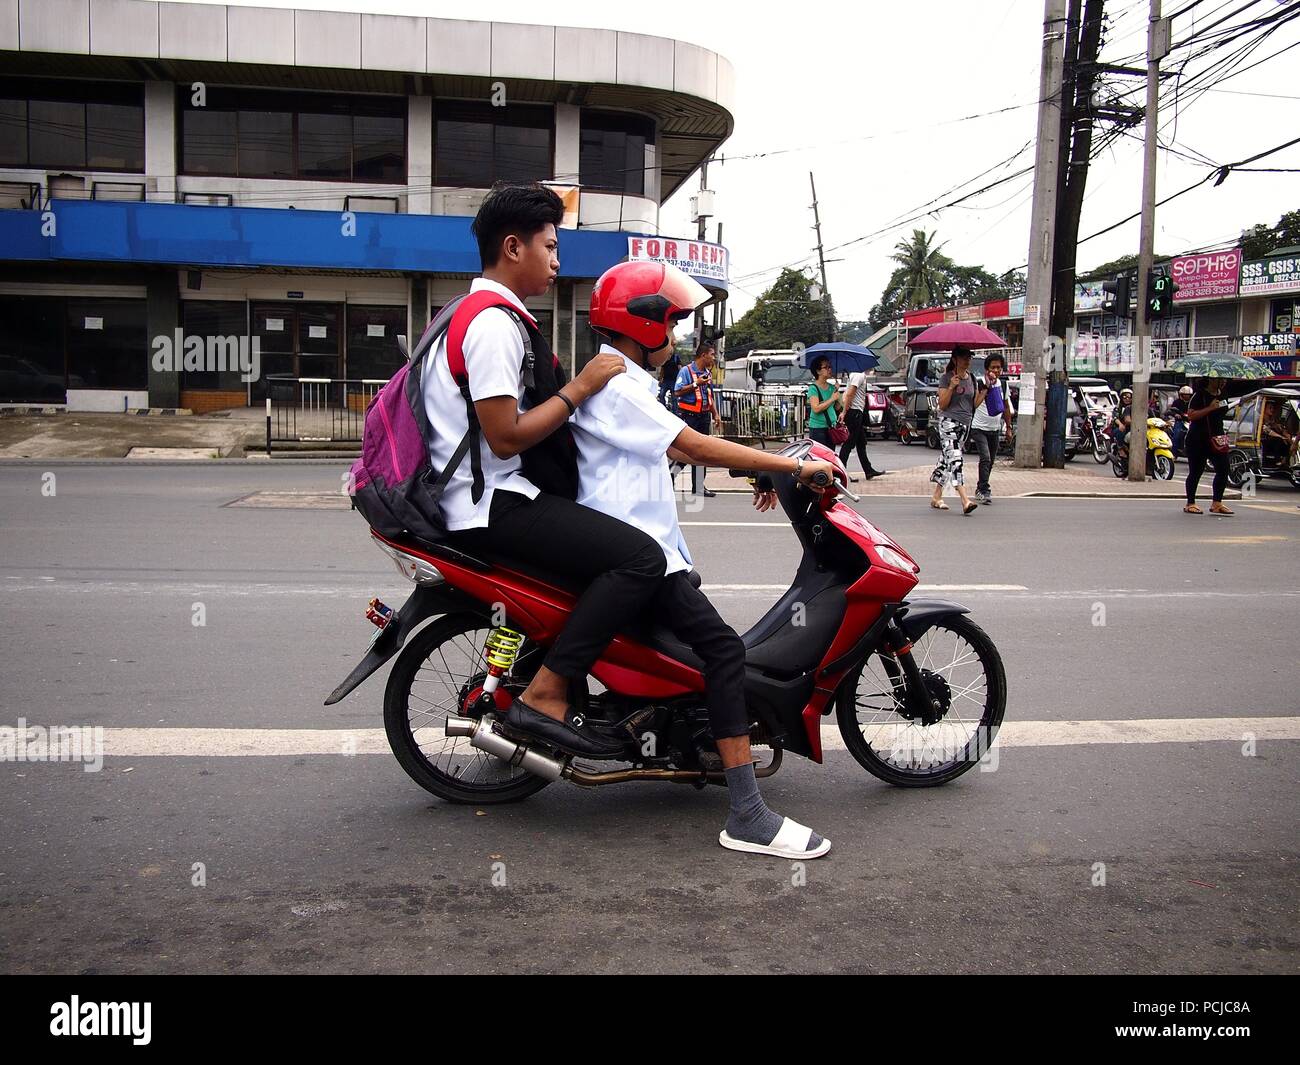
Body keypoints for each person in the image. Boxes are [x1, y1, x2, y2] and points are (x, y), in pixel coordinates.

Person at [574, 260, 837, 858]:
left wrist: (753, 469)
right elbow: (688, 444)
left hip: (645, 550)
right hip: (638, 557)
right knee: (722, 652)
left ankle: (684, 739)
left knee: (694, 644)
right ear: (643, 327)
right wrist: (791, 466)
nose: (681, 338)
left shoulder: (629, 385)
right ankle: (746, 813)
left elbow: (678, 450)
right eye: (673, 324)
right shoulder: (619, 387)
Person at [427, 183, 668, 759]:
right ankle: (548, 693)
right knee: (641, 558)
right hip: (493, 505)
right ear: (513, 247)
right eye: (550, 247)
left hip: (491, 496)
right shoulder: (491, 326)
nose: (558, 262)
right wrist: (580, 388)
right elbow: (505, 438)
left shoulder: (478, 313)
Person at [929, 346, 983, 515]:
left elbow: (973, 404)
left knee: (947, 460)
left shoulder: (972, 379)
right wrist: (951, 387)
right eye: (964, 357)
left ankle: (936, 496)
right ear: (955, 360)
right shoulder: (946, 378)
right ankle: (965, 500)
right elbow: (942, 404)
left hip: (965, 425)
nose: (968, 360)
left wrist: (986, 390)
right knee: (956, 459)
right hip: (948, 423)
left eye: (969, 357)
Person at [672, 342, 722, 498]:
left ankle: (699, 487)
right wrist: (696, 383)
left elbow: (708, 396)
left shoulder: (707, 372)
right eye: (712, 354)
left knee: (703, 454)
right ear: (703, 355)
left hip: (703, 417)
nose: (714, 357)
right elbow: (677, 391)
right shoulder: (686, 371)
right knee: (686, 452)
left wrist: (715, 414)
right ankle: (670, 476)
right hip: (689, 417)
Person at [1182, 376, 1233, 515]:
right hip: (1198, 439)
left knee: (1224, 469)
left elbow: (1221, 412)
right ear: (1210, 380)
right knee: (1196, 471)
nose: (1223, 382)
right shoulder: (1199, 396)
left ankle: (1217, 502)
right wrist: (1210, 408)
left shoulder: (1223, 394)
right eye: (1220, 379)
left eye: (1224, 379)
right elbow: (1191, 416)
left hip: (1217, 438)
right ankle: (1190, 503)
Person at [970, 351, 1014, 505]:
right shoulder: (979, 382)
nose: (996, 371)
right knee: (985, 458)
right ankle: (984, 490)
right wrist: (987, 388)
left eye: (999, 368)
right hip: (978, 427)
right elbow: (974, 403)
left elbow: (1006, 406)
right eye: (993, 367)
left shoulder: (1003, 384)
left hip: (994, 428)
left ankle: (980, 487)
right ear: (986, 369)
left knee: (991, 461)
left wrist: (1008, 428)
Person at [838, 369, 886, 481]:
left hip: (856, 411)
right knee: (849, 443)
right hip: (854, 412)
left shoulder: (856, 374)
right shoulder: (858, 375)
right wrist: (844, 412)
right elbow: (849, 394)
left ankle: (868, 470)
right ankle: (841, 471)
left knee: (861, 442)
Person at [805, 356, 841, 449]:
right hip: (818, 429)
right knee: (820, 459)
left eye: (830, 367)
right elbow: (816, 408)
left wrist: (837, 395)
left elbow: (837, 408)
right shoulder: (813, 388)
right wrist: (832, 399)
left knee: (830, 456)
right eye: (826, 367)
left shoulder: (832, 387)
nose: (829, 369)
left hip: (831, 427)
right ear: (818, 371)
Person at [1112, 387, 1133, 459]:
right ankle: (1120, 448)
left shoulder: (1135, 407)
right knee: (1121, 430)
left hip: (1132, 427)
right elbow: (1115, 418)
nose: (1127, 399)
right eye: (1124, 397)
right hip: (1120, 427)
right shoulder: (1118, 408)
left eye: (1129, 397)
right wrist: (1120, 424)